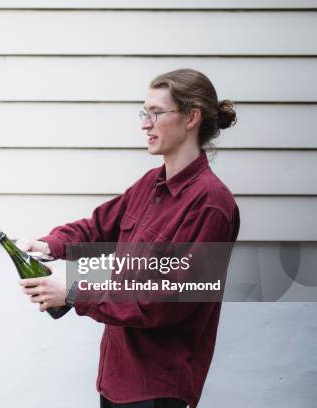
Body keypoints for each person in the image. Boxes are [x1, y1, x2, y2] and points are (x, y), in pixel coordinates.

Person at [17, 68, 240, 408]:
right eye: (143, 113)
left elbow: (167, 300)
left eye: (156, 113)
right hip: (118, 378)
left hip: (159, 388)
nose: (144, 124)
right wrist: (50, 245)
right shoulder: (151, 184)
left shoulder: (212, 205)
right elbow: (98, 227)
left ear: (192, 117)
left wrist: (74, 290)